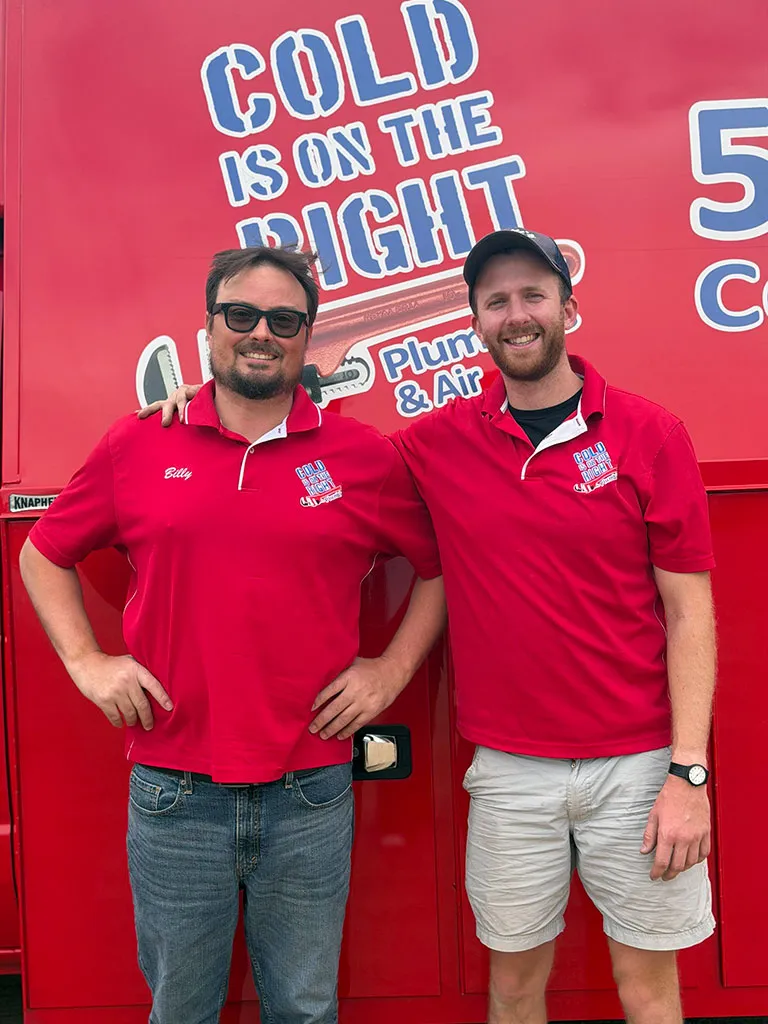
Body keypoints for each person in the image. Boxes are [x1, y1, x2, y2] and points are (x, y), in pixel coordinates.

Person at [153, 229, 717, 1024]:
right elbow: (308, 450)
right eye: (496, 302)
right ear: (476, 324)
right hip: (511, 771)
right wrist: (185, 410)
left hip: (639, 764)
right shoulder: (439, 442)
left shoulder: (650, 434)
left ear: (569, 308)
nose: (516, 316)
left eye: (533, 296)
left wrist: (688, 775)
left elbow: (692, 612)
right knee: (514, 990)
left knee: (650, 989)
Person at [20, 245, 446, 1024]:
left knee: (307, 1008)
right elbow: (42, 552)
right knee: (181, 1010)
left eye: (283, 320)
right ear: (208, 328)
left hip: (310, 790)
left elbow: (440, 566)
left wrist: (389, 672)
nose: (260, 333)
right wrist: (88, 662)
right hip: (174, 789)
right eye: (240, 315)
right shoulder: (138, 443)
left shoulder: (362, 459)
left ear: (306, 336)